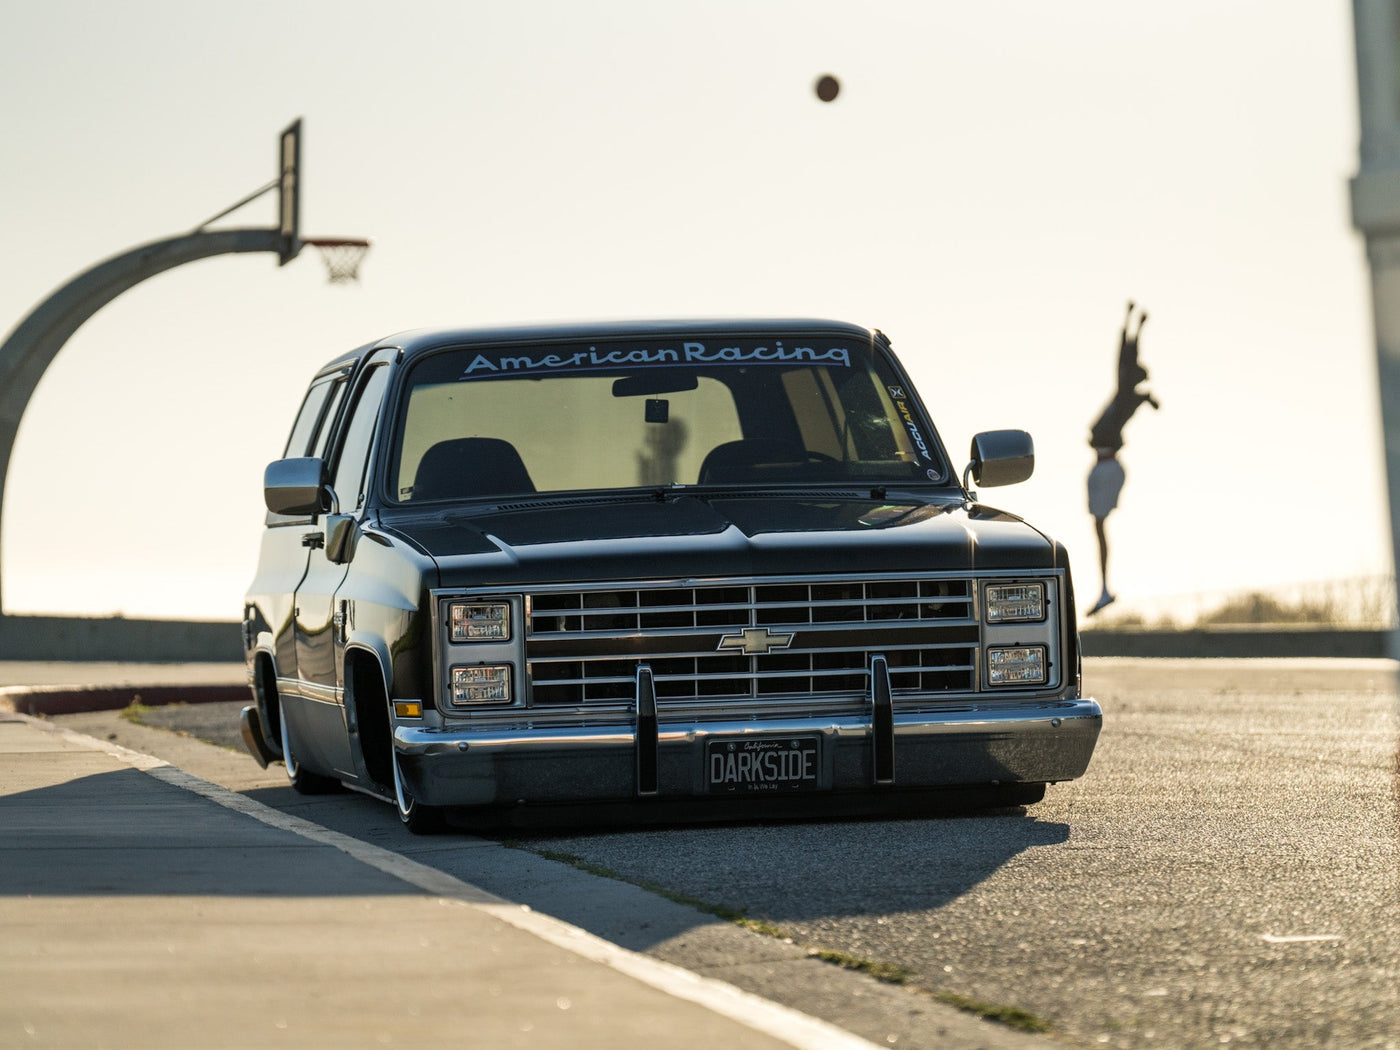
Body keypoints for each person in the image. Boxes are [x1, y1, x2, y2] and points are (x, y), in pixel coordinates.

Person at [1086, 301, 1160, 615]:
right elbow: (1129, 356)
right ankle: (1103, 587)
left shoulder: (1127, 392)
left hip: (1107, 467)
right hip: (1105, 465)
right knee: (1098, 527)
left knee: (1100, 527)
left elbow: (1125, 355)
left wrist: (1131, 322)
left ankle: (1104, 588)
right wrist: (1135, 324)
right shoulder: (1132, 396)